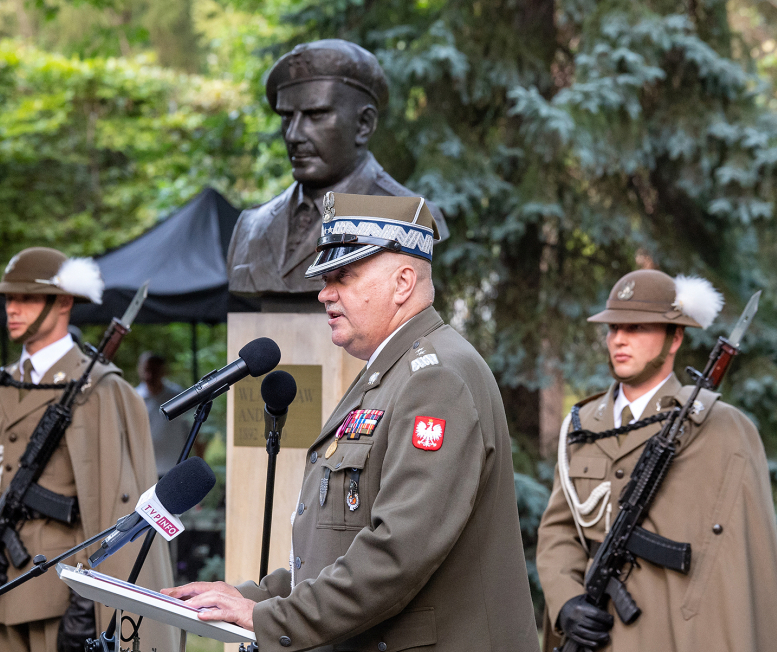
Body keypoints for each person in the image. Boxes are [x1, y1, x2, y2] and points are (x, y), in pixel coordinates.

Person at [165, 193, 539, 651]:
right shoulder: (390, 371)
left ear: (403, 282)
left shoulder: (437, 377)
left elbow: (396, 553)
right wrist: (253, 597)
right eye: (325, 278)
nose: (324, 292)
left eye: (343, 275)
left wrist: (271, 617)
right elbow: (341, 544)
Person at [536, 269, 777, 652]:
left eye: (637, 327)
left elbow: (737, 562)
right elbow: (559, 532)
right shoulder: (582, 426)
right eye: (613, 328)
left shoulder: (720, 429)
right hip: (593, 636)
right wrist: (566, 601)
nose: (619, 339)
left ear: (676, 338)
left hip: (674, 637)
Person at [0, 247, 178, 652]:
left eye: (27, 298)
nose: (12, 309)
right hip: (0, 593)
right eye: (8, 299)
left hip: (64, 599)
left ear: (64, 302)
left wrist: (92, 600)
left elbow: (120, 508)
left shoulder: (102, 391)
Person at [226, 39, 448, 298]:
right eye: (287, 117)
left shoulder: (412, 219)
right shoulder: (250, 225)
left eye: (315, 114)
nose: (294, 135)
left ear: (364, 124)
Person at [136, 351, 194, 477]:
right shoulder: (134, 398)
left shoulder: (178, 396)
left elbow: (194, 431)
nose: (149, 376)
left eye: (154, 371)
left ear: (163, 371)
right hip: (144, 470)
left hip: (174, 468)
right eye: (146, 370)